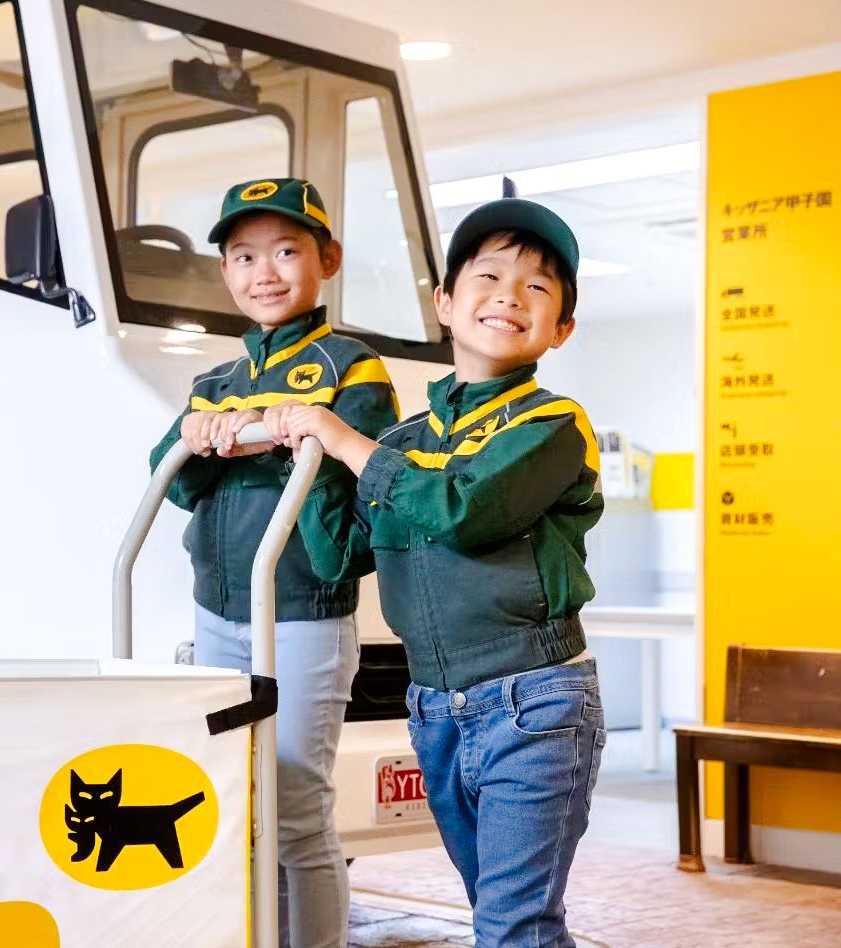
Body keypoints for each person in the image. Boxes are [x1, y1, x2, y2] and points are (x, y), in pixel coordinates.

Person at [266, 198, 606, 948]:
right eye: (487, 275)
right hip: (434, 711)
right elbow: (339, 555)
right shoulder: (405, 438)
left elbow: (464, 510)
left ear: (561, 330)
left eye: (538, 288)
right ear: (445, 304)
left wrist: (342, 438)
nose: (510, 295)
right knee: (504, 915)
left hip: (536, 704)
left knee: (512, 924)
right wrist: (312, 454)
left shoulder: (552, 426)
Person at [148, 177, 398, 948]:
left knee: (295, 807)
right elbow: (170, 476)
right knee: (231, 798)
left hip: (301, 615)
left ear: (327, 258)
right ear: (224, 272)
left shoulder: (352, 366)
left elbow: (356, 469)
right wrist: (219, 433)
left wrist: (247, 436)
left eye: (287, 251)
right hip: (217, 612)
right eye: (244, 255)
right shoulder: (214, 382)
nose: (266, 272)